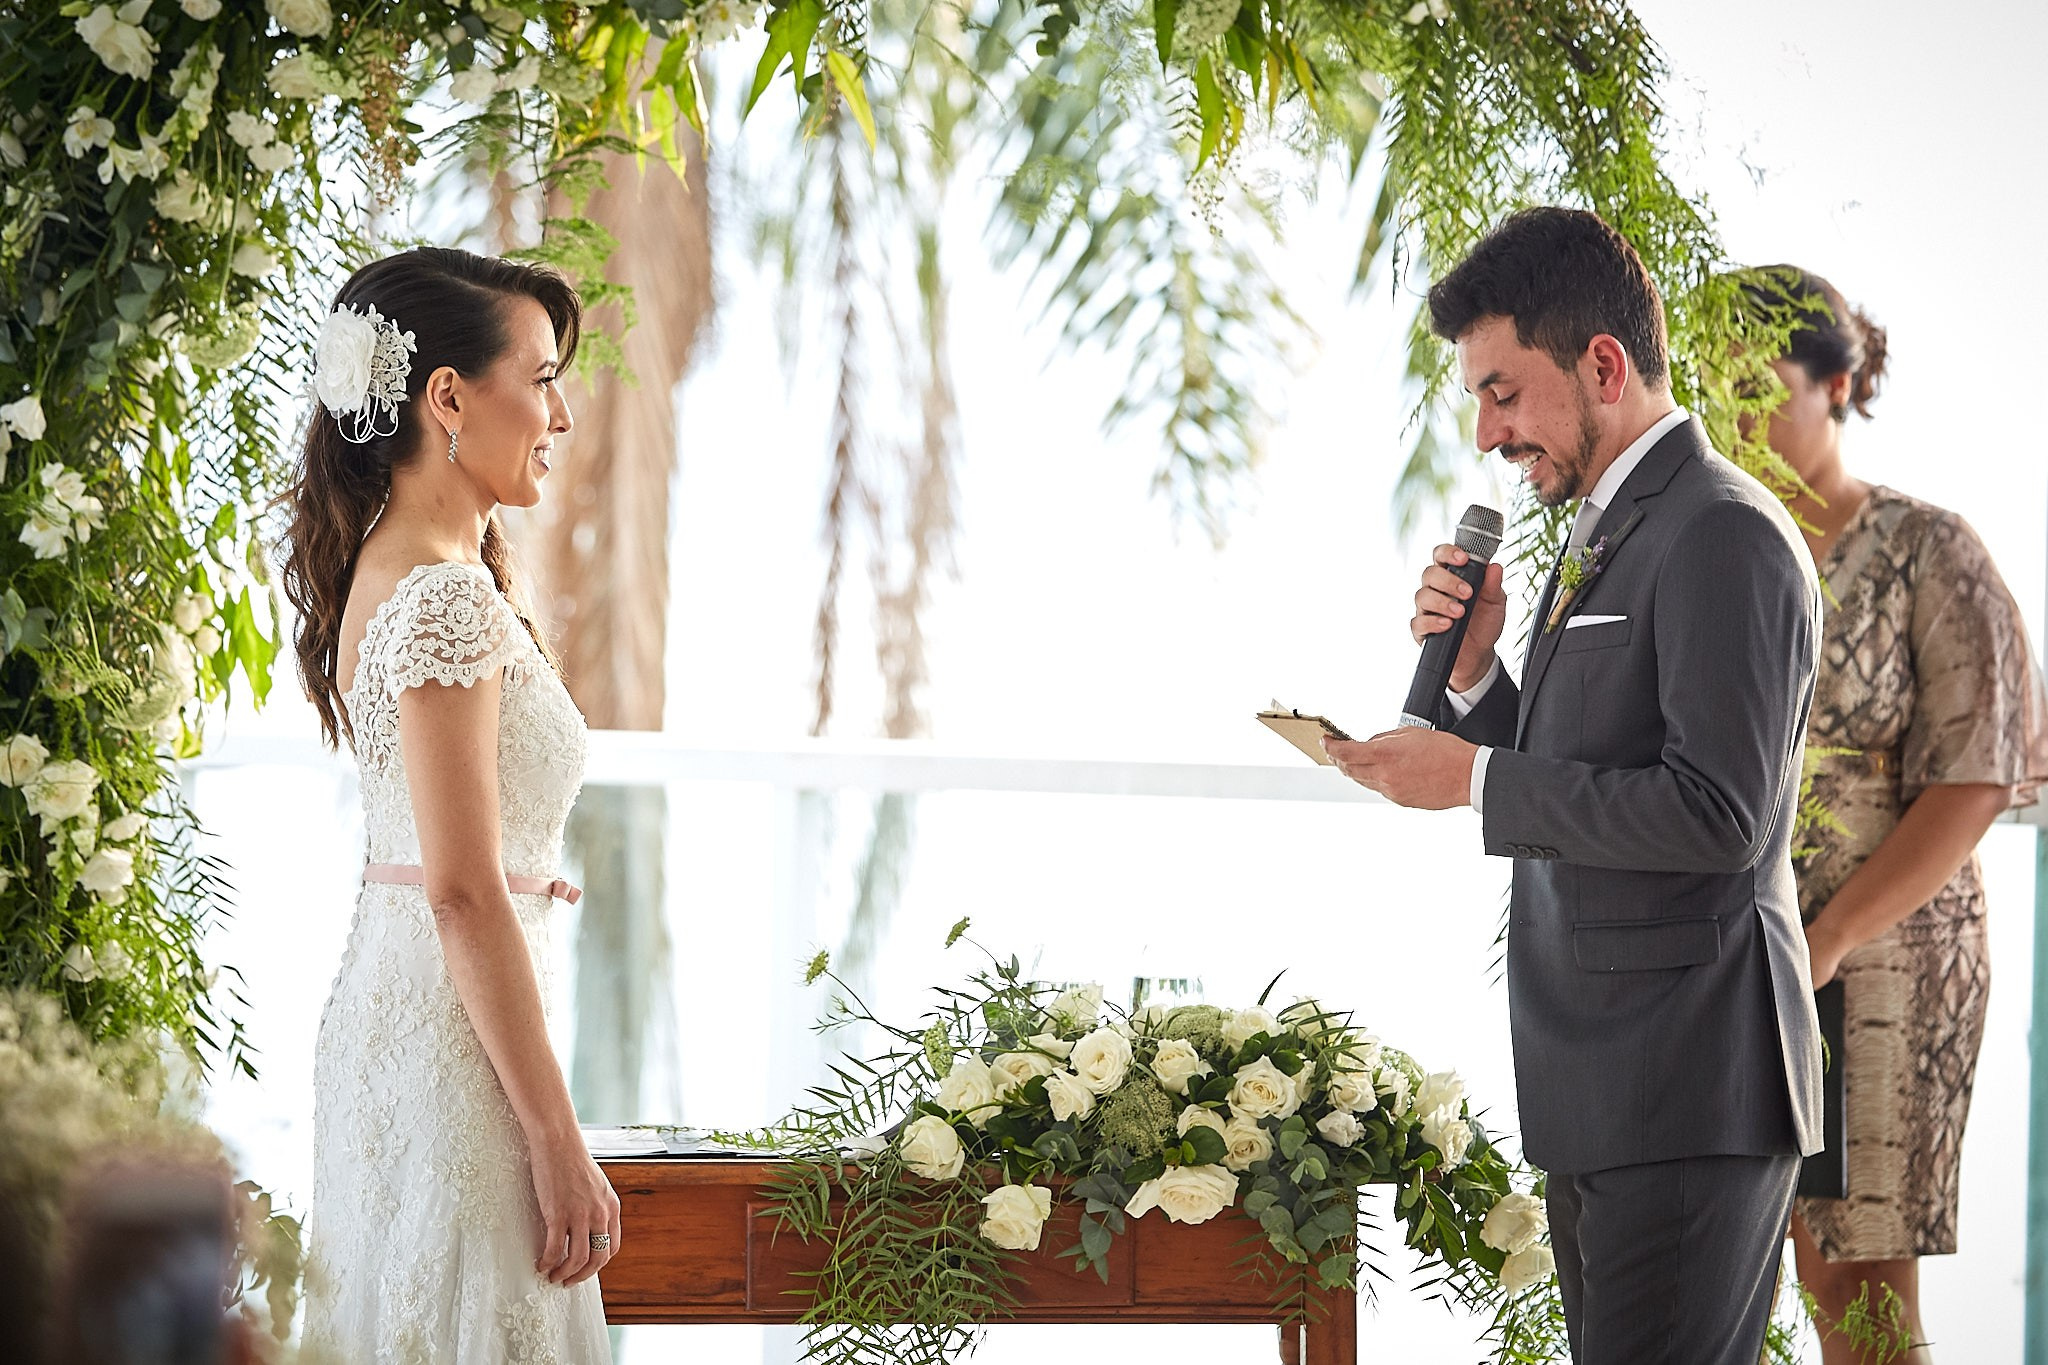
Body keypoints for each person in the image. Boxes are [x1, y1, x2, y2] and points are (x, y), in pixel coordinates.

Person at [1323, 207, 1824, 1364]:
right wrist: (1474, 678)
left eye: (1503, 391)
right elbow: (1597, 768)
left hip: (1688, 1088)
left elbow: (1717, 816)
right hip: (1605, 1089)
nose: (1489, 432)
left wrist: (1472, 780)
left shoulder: (1721, 534)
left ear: (1601, 364)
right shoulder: (1608, 528)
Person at [281, 247, 617, 1362]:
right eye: (542, 375)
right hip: (448, 1047)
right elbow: (466, 891)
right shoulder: (441, 597)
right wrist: (556, 1138)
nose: (560, 413)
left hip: (397, 1015)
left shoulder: (385, 567)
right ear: (447, 397)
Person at [1745, 267, 2048, 1365]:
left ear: (1834, 381)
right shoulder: (1721, 554)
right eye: (1716, 382)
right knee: (1736, 1259)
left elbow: (1975, 779)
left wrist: (1826, 939)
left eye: (1761, 380)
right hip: (1743, 955)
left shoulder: (1929, 547)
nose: (1739, 410)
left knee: (1857, 1294)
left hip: (1887, 959)